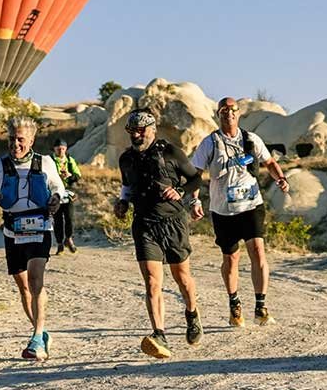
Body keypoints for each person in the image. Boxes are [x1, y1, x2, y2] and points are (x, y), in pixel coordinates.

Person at [190, 97, 291, 328]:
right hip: (223, 210)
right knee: (231, 258)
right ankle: (234, 304)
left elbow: (270, 162)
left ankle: (261, 307)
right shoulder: (210, 143)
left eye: (233, 110)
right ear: (218, 114)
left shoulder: (251, 139)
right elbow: (195, 174)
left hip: (251, 204)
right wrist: (194, 200)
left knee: (257, 251)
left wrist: (281, 179)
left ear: (239, 113)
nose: (229, 114)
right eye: (224, 110)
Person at [114, 108, 204, 359]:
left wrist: (181, 193)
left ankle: (192, 315)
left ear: (153, 130)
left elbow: (196, 180)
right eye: (133, 131)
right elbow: (126, 186)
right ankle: (159, 334)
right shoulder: (126, 159)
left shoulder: (171, 152)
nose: (137, 135)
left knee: (182, 277)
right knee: (152, 281)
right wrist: (122, 203)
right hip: (144, 224)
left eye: (141, 130)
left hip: (173, 223)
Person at [0, 118, 66, 361]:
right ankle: (42, 331)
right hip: (12, 231)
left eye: (20, 139)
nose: (15, 144)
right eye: (12, 139)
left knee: (36, 280)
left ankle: (36, 338)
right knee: (24, 287)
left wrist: (56, 198)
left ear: (31, 141)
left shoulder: (45, 162)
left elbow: (60, 188)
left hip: (40, 227)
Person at [49, 138, 82, 254]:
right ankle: (59, 244)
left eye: (63, 149)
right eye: (58, 149)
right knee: (57, 220)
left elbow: (78, 176)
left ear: (66, 149)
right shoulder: (50, 161)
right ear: (54, 149)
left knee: (69, 218)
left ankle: (69, 239)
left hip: (68, 193)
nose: (61, 151)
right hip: (55, 194)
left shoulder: (69, 160)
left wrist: (69, 175)